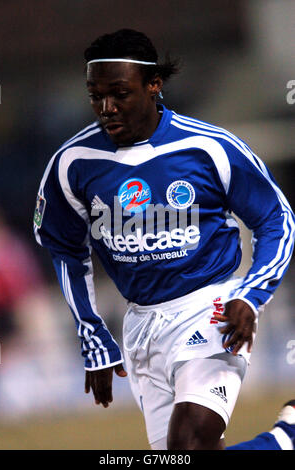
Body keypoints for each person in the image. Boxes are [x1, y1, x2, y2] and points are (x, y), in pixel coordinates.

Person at [34, 29, 295, 450]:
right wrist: (92, 331)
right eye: (95, 96)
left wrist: (250, 295)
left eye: (119, 93)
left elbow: (276, 218)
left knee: (189, 443)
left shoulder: (209, 148)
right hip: (141, 324)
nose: (106, 108)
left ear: (154, 85)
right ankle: (284, 439)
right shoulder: (73, 163)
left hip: (211, 309)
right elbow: (64, 248)